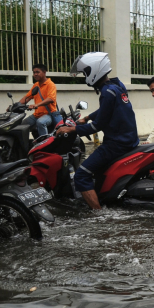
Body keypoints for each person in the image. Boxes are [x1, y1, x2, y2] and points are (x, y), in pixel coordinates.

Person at [59, 52, 138, 210]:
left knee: (81, 175)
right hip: (129, 140)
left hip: (116, 144)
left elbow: (98, 126)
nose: (85, 77)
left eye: (85, 73)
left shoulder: (107, 93)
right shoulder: (117, 86)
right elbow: (106, 111)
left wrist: (72, 128)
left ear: (93, 71)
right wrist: (87, 117)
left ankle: (98, 215)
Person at [18, 63, 61, 137]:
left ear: (44, 72)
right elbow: (27, 97)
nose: (35, 74)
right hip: (36, 115)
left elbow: (51, 99)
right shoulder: (36, 85)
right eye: (34, 72)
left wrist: (37, 104)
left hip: (49, 114)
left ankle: (45, 143)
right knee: (22, 125)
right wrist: (16, 106)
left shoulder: (50, 85)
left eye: (37, 72)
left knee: (41, 122)